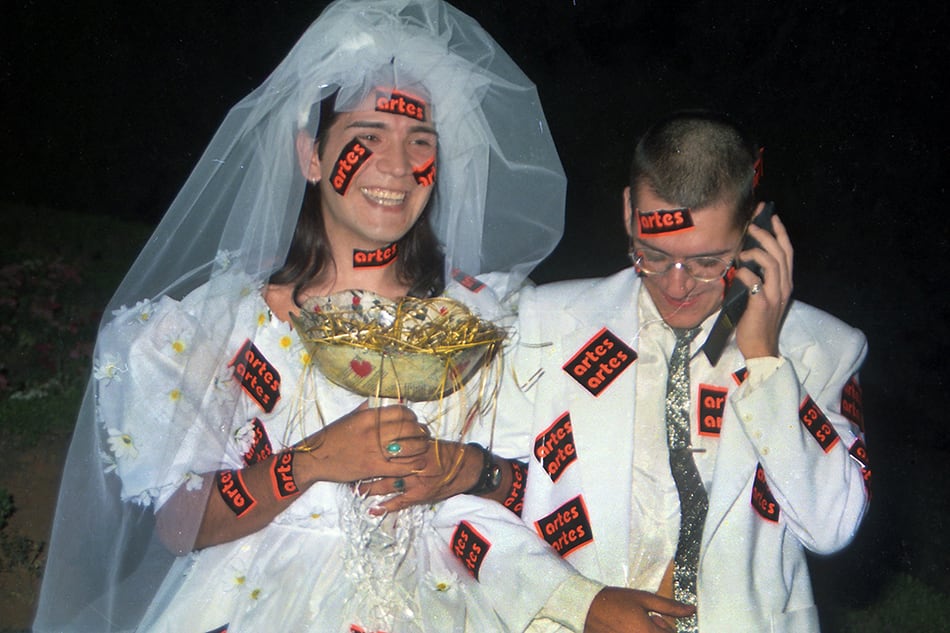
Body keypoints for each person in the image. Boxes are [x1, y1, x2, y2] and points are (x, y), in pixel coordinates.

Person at [31, 1, 637, 631]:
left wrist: (465, 471)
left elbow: (535, 484)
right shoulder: (226, 327)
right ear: (311, 156)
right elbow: (181, 526)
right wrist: (312, 459)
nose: (397, 167)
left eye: (419, 141)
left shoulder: (483, 317)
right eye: (367, 138)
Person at [497, 111, 870, 632]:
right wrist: (577, 603)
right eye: (652, 255)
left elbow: (831, 527)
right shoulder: (544, 322)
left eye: (707, 262)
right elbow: (481, 505)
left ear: (756, 229)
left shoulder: (822, 349)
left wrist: (764, 358)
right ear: (630, 210)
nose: (676, 286)